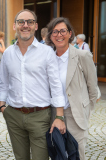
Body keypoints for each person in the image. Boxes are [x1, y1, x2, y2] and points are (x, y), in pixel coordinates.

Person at [0, 9, 65, 160]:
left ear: (36, 26)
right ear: (15, 26)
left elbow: (56, 85)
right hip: (14, 115)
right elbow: (3, 83)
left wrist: (60, 117)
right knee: (20, 157)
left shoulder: (46, 52)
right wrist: (3, 107)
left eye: (30, 22)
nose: (25, 25)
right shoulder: (8, 53)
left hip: (40, 116)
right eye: (21, 22)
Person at [46, 17, 98, 160]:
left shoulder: (82, 56)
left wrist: (85, 111)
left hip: (76, 116)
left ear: (70, 33)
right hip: (54, 115)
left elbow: (93, 89)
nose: (59, 35)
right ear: (50, 36)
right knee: (58, 155)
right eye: (55, 32)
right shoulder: (48, 58)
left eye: (63, 31)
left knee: (77, 155)